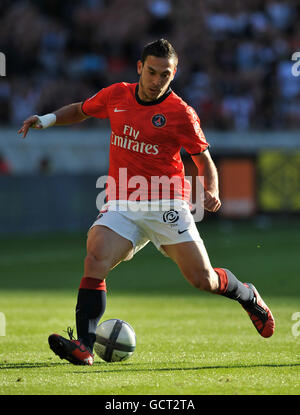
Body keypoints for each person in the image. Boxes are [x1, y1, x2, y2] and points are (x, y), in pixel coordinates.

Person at [18, 39, 275, 366]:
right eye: (151, 72)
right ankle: (83, 345)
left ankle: (247, 294)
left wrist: (212, 188)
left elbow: (203, 157)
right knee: (96, 255)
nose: (156, 81)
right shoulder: (116, 95)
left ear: (174, 74)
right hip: (123, 202)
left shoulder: (180, 113)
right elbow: (81, 110)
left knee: (203, 280)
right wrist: (46, 119)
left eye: (164, 75)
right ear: (140, 68)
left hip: (167, 204)